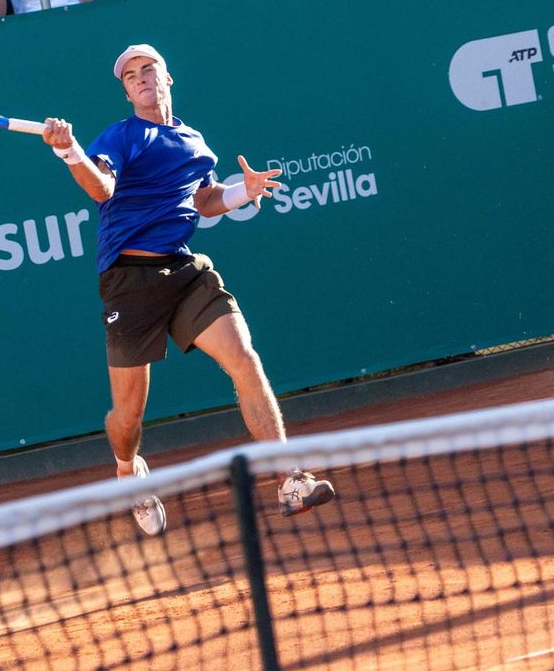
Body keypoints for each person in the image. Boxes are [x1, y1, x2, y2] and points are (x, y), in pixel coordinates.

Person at [39, 44, 337, 533]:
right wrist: (69, 151)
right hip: (128, 281)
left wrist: (242, 191)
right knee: (127, 416)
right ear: (126, 91)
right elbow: (100, 189)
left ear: (167, 77)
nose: (141, 78)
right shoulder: (121, 136)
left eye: (148, 69)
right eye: (131, 76)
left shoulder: (193, 140)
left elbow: (203, 199)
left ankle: (290, 480)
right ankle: (127, 471)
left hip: (183, 270)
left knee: (244, 358)